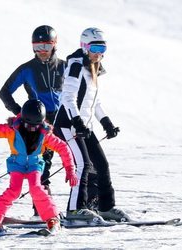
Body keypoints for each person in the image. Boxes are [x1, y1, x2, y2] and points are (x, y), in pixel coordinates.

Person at [0, 99, 78, 234]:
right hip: (17, 164)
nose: (32, 129)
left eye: (36, 126)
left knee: (36, 188)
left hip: (34, 164)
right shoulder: (12, 129)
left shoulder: (45, 134)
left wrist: (70, 169)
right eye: (29, 125)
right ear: (22, 120)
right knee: (14, 190)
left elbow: (63, 147)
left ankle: (52, 218)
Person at [53, 27, 131, 222]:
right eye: (95, 48)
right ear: (84, 46)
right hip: (67, 125)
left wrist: (107, 123)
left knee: (102, 165)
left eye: (102, 49)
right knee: (83, 164)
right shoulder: (77, 66)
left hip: (84, 127)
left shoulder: (93, 69)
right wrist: (77, 122)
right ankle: (75, 210)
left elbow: (93, 102)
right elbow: (68, 97)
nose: (99, 53)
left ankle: (106, 207)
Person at [0, 25, 66, 216]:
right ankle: (44, 209)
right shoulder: (27, 69)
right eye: (37, 47)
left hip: (64, 120)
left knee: (78, 160)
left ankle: (84, 205)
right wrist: (22, 114)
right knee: (43, 164)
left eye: (46, 46)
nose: (42, 51)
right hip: (40, 124)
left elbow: (80, 88)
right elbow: (4, 92)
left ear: (54, 45)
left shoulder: (65, 66)